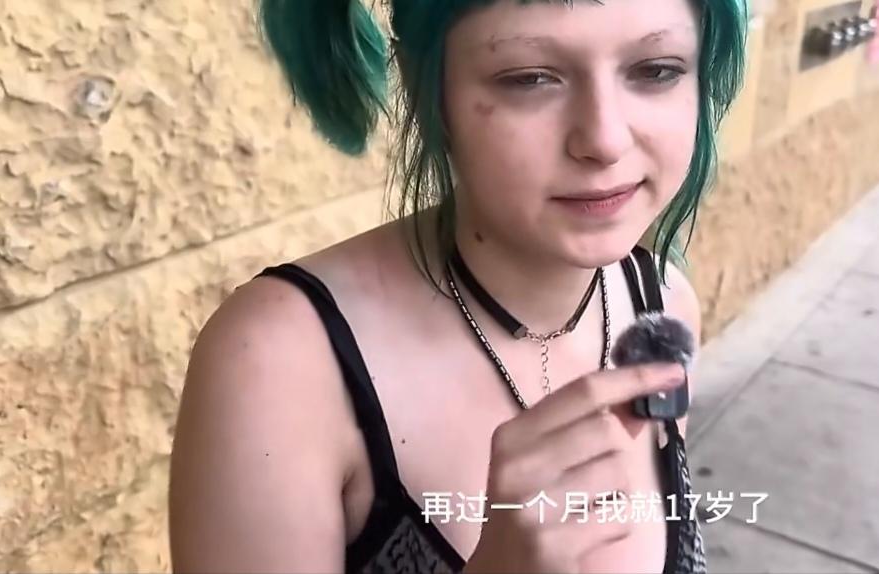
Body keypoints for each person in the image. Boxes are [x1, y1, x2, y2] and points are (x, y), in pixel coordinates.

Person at [167, 0, 745, 572]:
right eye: (530, 78)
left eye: (657, 70)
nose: (605, 139)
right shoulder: (279, 365)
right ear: (425, 86)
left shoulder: (662, 310)